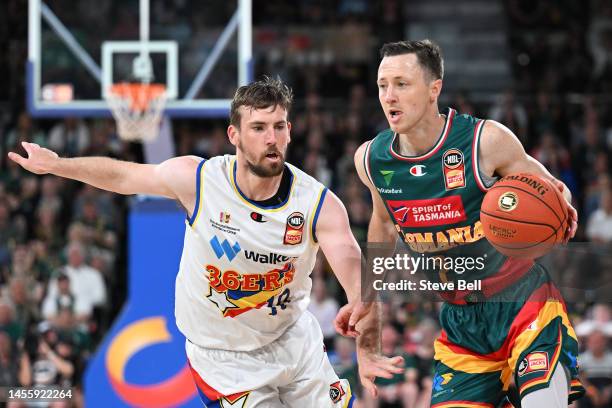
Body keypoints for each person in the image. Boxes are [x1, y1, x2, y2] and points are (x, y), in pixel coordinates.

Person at [9, 77, 403, 407]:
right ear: (234, 134)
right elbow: (123, 176)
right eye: (259, 127)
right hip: (223, 358)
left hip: (292, 339)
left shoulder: (318, 204)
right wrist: (57, 165)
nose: (272, 139)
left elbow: (363, 288)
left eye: (279, 126)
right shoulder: (198, 180)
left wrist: (368, 351)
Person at [348, 40, 585, 407]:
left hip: (523, 301)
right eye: (382, 85)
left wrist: (560, 208)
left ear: (434, 89)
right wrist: (370, 296)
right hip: (461, 324)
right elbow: (382, 223)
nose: (389, 96)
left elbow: (553, 191)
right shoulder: (372, 160)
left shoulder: (485, 140)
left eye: (402, 84)